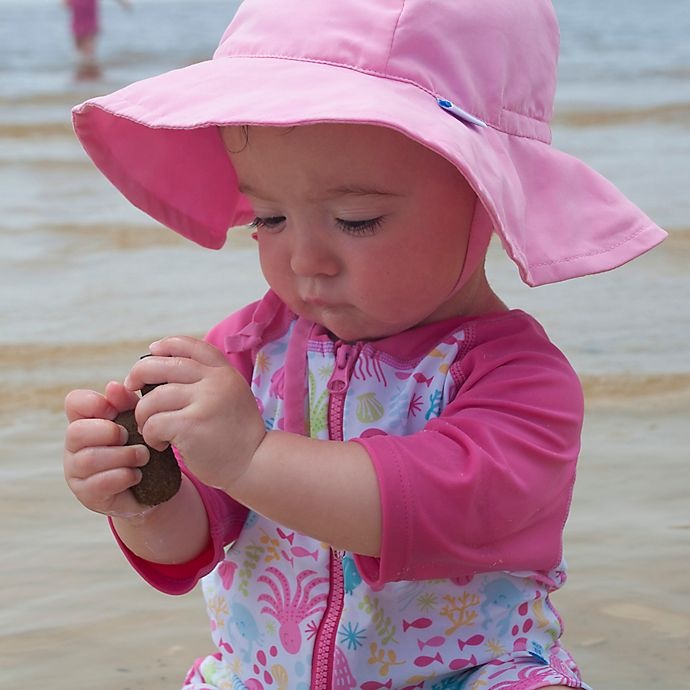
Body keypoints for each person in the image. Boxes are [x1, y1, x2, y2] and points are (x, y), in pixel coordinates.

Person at [63, 1, 666, 688]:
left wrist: (249, 454)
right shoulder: (250, 351)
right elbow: (194, 542)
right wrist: (142, 499)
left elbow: (417, 507)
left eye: (356, 220)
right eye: (270, 216)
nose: (305, 259)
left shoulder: (518, 382)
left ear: (486, 196)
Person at [62, 0, 131, 79]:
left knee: (88, 45)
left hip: (88, 14)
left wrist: (123, 3)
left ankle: (88, 69)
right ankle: (83, 68)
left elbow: (64, 4)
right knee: (79, 46)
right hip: (78, 14)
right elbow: (64, 4)